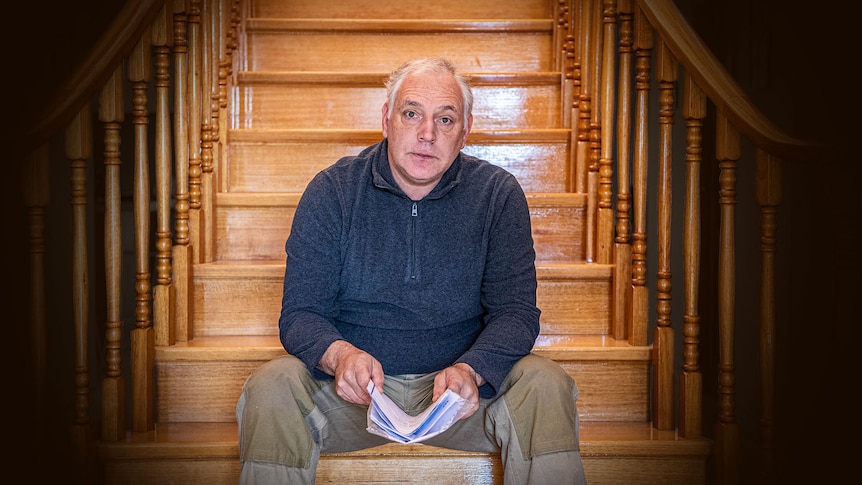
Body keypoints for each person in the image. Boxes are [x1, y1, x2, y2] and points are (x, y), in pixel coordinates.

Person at [236, 57, 587, 484]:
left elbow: (516, 314)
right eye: (411, 113)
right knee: (273, 383)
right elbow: (300, 314)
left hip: (462, 399)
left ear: (466, 131)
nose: (427, 134)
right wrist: (341, 355)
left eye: (445, 119)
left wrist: (471, 370)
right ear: (387, 119)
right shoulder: (332, 191)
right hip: (355, 398)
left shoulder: (497, 195)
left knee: (545, 382)